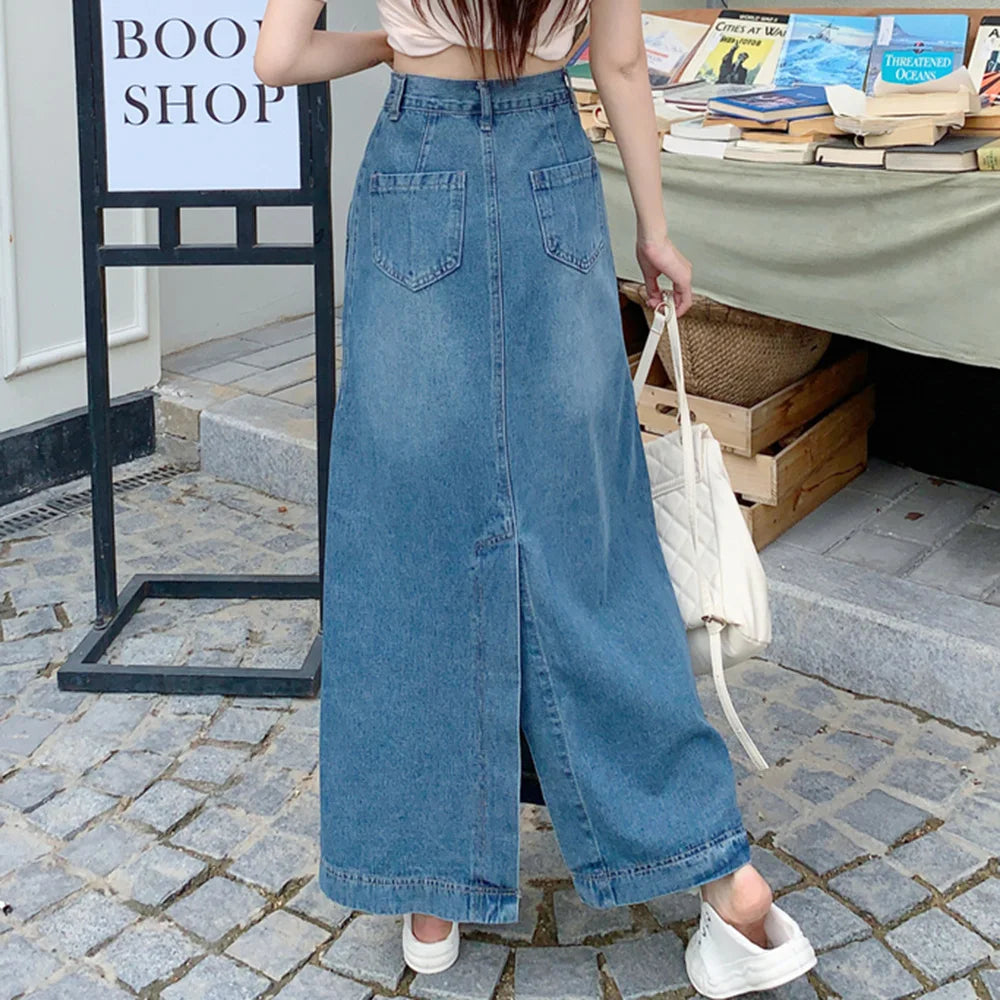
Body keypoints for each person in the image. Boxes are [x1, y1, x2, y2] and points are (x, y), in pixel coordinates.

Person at [254, 1, 816, 996]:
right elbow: (622, 68)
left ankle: (429, 895)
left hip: (415, 174)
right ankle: (724, 877)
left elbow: (280, 58)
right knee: (587, 540)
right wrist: (655, 236)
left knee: (411, 541)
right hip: (549, 174)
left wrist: (395, 41)